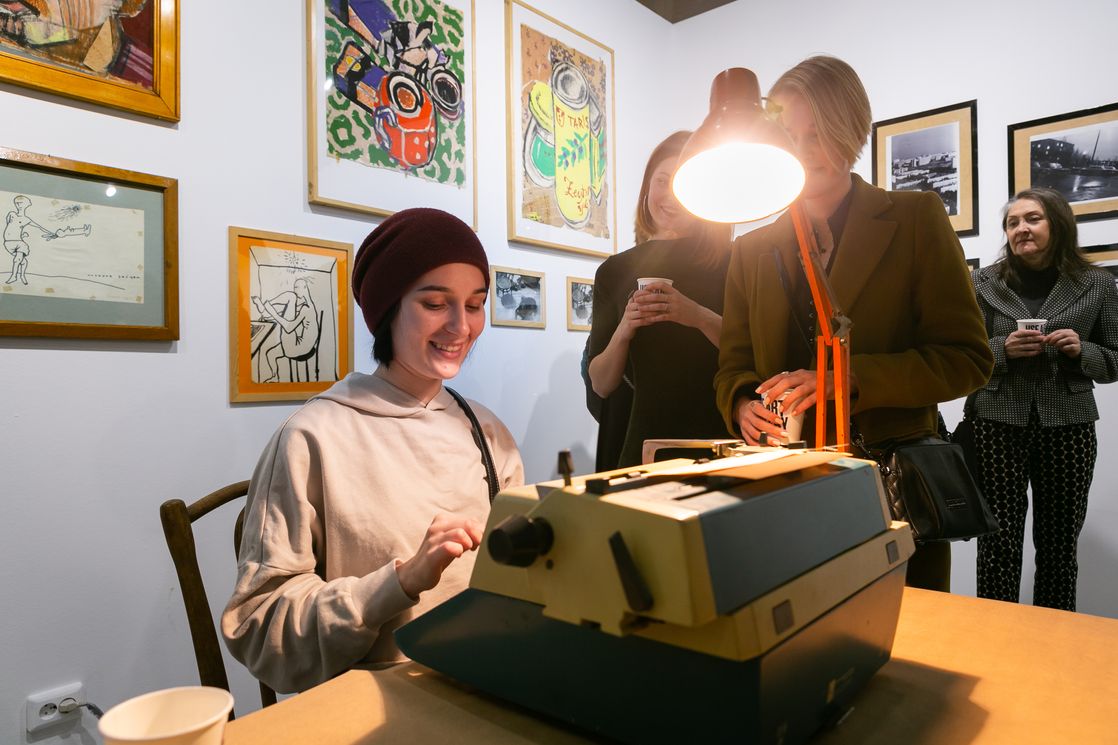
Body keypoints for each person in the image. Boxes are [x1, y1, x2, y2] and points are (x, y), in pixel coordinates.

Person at [713, 56, 993, 591]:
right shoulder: (751, 249)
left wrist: (847, 379)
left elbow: (968, 359)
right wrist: (743, 406)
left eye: (817, 134)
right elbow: (732, 367)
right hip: (783, 489)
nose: (802, 150)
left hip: (889, 488)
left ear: (851, 130)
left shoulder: (915, 218)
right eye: (788, 137)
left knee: (909, 631)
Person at [223, 208, 524, 693]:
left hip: (485, 686)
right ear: (387, 310)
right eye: (435, 303)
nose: (460, 326)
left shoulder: (487, 431)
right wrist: (399, 582)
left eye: (474, 304)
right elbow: (262, 628)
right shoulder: (311, 438)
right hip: (373, 700)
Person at [969, 187, 1118, 611]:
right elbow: (963, 357)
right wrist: (1002, 350)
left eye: (1032, 219)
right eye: (1012, 222)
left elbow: (1115, 359)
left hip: (1068, 426)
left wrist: (1081, 350)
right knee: (996, 546)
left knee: (1059, 549)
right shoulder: (981, 283)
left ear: (1058, 224)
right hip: (995, 425)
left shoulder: (1097, 284)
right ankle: (994, 640)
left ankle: (1055, 641)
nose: (1021, 228)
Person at [586, 131, 733, 469]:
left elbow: (754, 355)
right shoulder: (614, 271)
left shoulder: (732, 261)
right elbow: (601, 384)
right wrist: (625, 329)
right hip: (643, 447)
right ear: (646, 188)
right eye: (663, 181)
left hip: (722, 442)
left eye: (683, 184)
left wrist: (696, 315)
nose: (671, 196)